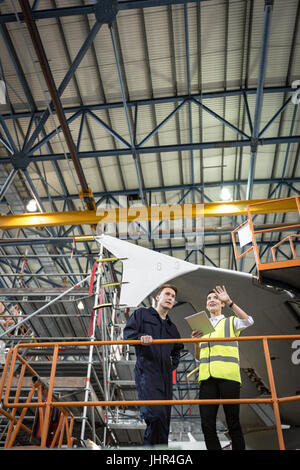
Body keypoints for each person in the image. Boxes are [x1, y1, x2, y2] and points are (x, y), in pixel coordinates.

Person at [191, 285, 254, 450]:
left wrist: (230, 302)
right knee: (207, 423)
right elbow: (198, 356)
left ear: (222, 304)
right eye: (209, 299)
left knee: (233, 421)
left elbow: (248, 321)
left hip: (228, 377)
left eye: (216, 298)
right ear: (206, 305)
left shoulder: (230, 321)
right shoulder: (202, 328)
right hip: (206, 379)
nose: (212, 300)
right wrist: (195, 342)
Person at [123, 284, 183, 446]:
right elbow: (128, 334)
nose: (171, 298)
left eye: (173, 296)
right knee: (154, 416)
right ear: (158, 297)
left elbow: (177, 350)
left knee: (163, 422)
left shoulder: (172, 327)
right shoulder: (142, 314)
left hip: (165, 377)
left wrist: (173, 363)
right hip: (147, 372)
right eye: (167, 294)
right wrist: (141, 337)